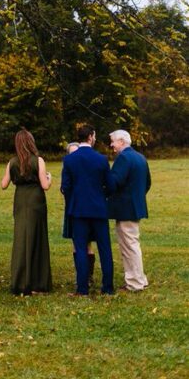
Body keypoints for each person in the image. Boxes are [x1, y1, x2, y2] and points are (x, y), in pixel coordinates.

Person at [60, 124, 114, 296]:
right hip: (98, 209)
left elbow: (66, 187)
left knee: (81, 248)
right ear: (90, 136)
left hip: (78, 210)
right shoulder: (101, 159)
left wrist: (74, 200)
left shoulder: (69, 160)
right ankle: (107, 287)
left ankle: (82, 289)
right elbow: (110, 186)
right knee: (105, 248)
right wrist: (100, 195)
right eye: (95, 136)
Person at [1, 128, 52, 295]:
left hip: (20, 200)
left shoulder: (12, 162)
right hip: (35, 200)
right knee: (37, 238)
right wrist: (50, 178)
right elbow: (45, 186)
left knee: (21, 237)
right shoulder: (38, 161)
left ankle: (20, 281)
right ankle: (38, 282)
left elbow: (3, 184)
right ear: (31, 142)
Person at [108, 129, 152, 292]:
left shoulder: (124, 158)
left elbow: (114, 182)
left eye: (113, 141)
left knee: (129, 246)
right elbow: (147, 183)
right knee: (133, 243)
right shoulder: (140, 157)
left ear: (121, 141)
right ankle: (140, 278)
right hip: (135, 206)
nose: (111, 145)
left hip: (125, 208)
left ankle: (135, 282)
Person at [61, 142, 96, 286]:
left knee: (87, 244)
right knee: (76, 243)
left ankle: (88, 276)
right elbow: (64, 188)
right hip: (72, 208)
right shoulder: (68, 168)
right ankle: (82, 275)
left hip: (85, 208)